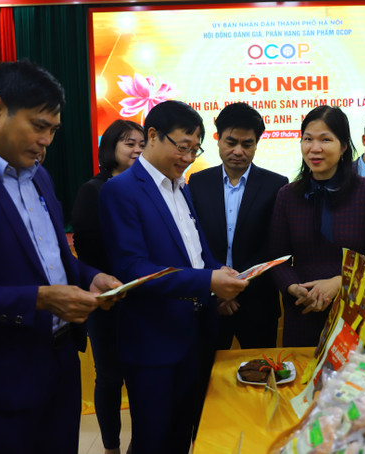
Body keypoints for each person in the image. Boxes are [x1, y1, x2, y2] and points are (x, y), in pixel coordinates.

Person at [0, 60, 123, 454]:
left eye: (54, 130)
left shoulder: (39, 175)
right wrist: (39, 299)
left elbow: (51, 259)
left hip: (62, 365)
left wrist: (89, 277)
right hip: (2, 377)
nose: (46, 140)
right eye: (38, 126)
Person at [98, 100, 248, 453]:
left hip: (196, 335)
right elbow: (133, 268)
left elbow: (195, 251)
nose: (188, 157)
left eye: (195, 150)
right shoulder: (121, 190)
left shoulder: (181, 186)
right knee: (153, 440)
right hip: (154, 342)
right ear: (153, 135)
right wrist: (207, 282)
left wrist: (217, 271)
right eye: (182, 147)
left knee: (184, 435)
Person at [268, 105, 365, 347]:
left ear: (343, 146)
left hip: (355, 313)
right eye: (308, 139)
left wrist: (340, 282)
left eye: (325, 139)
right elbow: (276, 258)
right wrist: (293, 288)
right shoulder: (288, 194)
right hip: (303, 310)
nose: (315, 148)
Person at [70, 119, 144, 454]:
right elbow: (85, 246)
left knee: (143, 377)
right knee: (110, 378)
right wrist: (112, 280)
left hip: (144, 298)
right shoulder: (94, 190)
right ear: (110, 147)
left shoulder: (149, 188)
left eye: (142, 144)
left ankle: (141, 444)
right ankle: (111, 447)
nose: (137, 149)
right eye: (129, 143)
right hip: (107, 299)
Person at [189, 103, 288, 349]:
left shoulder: (276, 185)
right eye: (231, 142)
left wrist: (235, 289)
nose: (238, 151)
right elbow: (194, 241)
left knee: (261, 370)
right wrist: (218, 290)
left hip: (258, 303)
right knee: (209, 370)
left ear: (257, 144)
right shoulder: (197, 183)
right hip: (210, 301)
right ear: (218, 139)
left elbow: (273, 247)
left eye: (247, 144)